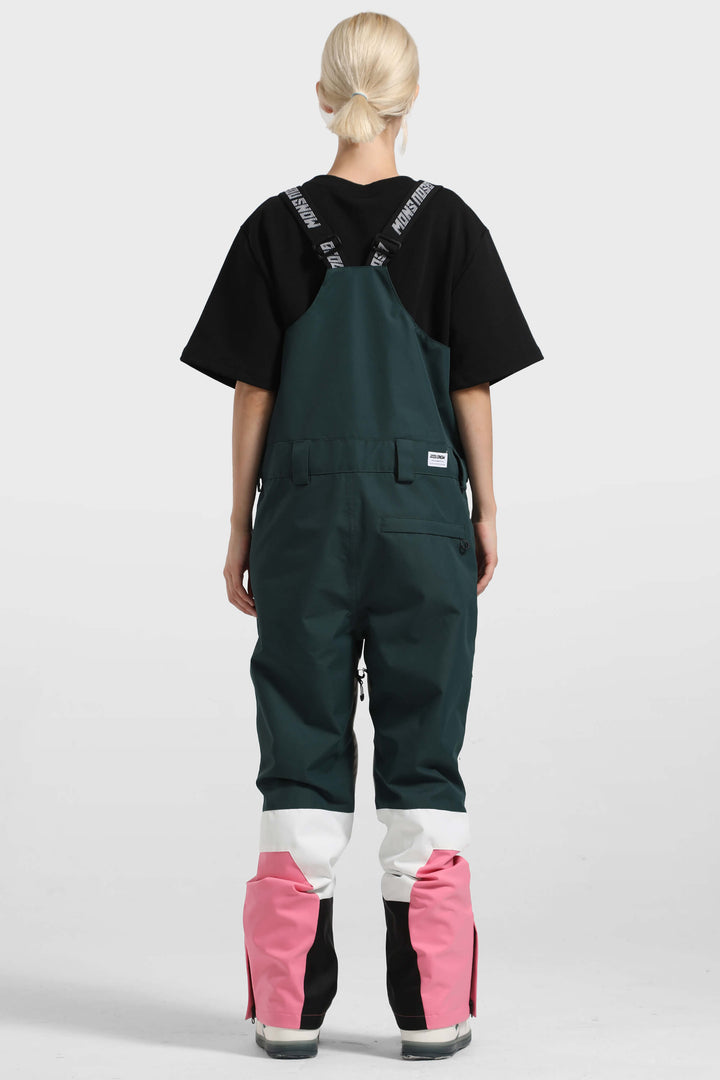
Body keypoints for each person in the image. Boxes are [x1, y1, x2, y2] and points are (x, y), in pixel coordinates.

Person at [179, 11, 543, 1063]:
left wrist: (240, 524)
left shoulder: (272, 227)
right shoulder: (450, 224)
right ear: (410, 99)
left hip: (301, 520)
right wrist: (483, 507)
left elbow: (253, 391)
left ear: (322, 96)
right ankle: (432, 1016)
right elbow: (470, 385)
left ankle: (288, 1014)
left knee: (301, 747)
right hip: (423, 518)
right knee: (425, 749)